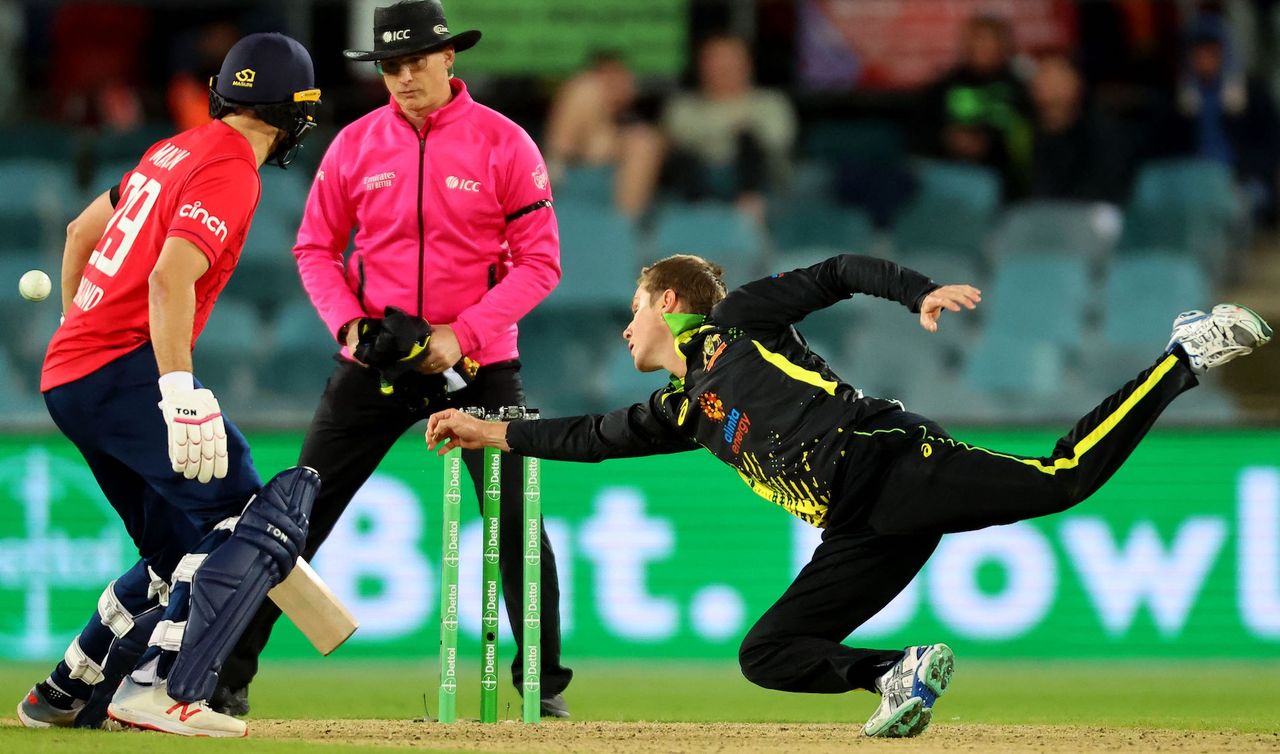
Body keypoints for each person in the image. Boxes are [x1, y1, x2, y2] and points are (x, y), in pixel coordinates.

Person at [426, 252, 1271, 738]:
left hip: (892, 462)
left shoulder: (739, 323)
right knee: (768, 653)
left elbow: (835, 273)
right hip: (858, 529)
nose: (625, 327)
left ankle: (1186, 355)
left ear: (670, 303)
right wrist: (484, 428)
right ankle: (898, 674)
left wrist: (916, 293)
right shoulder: (684, 408)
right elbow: (588, 439)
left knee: (1063, 477)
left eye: (637, 309)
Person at [214, 0, 575, 719]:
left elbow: (542, 265)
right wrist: (348, 327)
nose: (404, 77)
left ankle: (542, 684)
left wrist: (461, 335)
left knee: (513, 523)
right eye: (390, 66)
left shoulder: (505, 144)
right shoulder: (354, 145)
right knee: (294, 519)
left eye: (415, 62)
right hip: (375, 358)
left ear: (449, 59)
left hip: (477, 366)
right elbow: (315, 249)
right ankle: (228, 675)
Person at [18, 33, 323, 737]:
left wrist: (78, 322)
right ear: (294, 114)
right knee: (246, 519)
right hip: (122, 369)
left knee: (170, 552)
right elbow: (168, 276)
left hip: (72, 373)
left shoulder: (172, 149)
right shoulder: (231, 170)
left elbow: (78, 233)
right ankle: (157, 688)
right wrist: (179, 388)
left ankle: (65, 691)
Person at [662, 33, 797, 221]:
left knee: (749, 141)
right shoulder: (682, 106)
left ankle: (750, 208)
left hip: (759, 182)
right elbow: (679, 137)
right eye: (715, 60)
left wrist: (724, 132)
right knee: (684, 160)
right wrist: (731, 127)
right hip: (699, 178)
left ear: (747, 64)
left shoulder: (770, 102)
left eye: (731, 60)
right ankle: (701, 213)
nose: (724, 68)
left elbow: (777, 140)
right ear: (701, 66)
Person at [919, 14, 1032, 198]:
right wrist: (949, 139)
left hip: (1005, 182)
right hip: (949, 177)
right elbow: (921, 132)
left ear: (1004, 45)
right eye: (976, 39)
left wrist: (989, 144)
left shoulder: (1020, 90)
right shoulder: (942, 87)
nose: (982, 46)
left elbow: (1029, 139)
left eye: (989, 39)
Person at [544, 50, 665, 219]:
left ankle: (619, 235)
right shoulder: (584, 90)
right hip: (556, 185)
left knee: (643, 143)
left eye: (621, 78)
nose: (614, 85)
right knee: (585, 88)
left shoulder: (638, 133)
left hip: (612, 214)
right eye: (607, 78)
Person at [1028, 53, 1133, 204]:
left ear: (1077, 83)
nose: (1047, 85)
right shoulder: (1025, 136)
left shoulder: (1103, 137)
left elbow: (1109, 193)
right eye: (1042, 76)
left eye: (1057, 78)